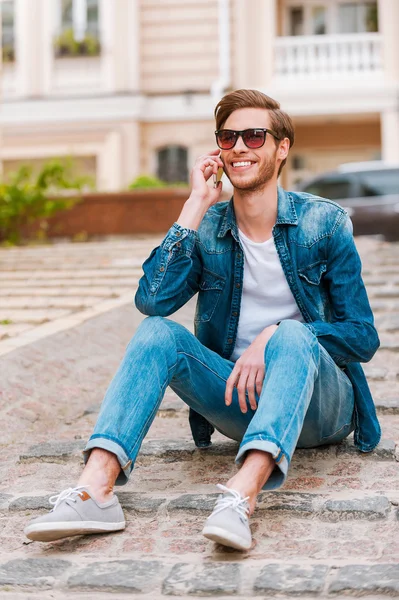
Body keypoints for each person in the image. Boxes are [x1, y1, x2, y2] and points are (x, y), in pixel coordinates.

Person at [24, 89, 381, 551]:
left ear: (282, 147)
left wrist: (275, 335)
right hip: (240, 399)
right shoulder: (210, 228)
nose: (239, 148)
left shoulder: (324, 223)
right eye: (228, 138)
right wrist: (194, 205)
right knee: (157, 333)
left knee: (290, 332)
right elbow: (153, 301)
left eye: (254, 136)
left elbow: (363, 337)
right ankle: (96, 489)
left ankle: (241, 495)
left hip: (320, 407)